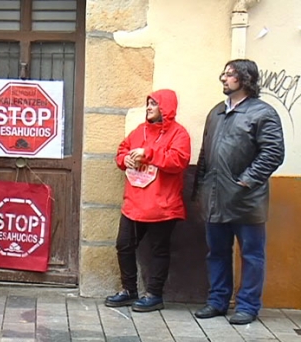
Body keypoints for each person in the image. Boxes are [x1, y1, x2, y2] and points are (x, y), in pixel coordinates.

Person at [193, 59, 284, 325]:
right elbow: (205, 153)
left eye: (230, 74)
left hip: (247, 200)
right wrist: (200, 186)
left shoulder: (263, 112)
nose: (223, 78)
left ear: (245, 79)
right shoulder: (216, 112)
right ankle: (217, 301)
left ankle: (248, 306)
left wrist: (246, 181)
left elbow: (273, 152)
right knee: (217, 252)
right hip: (214, 197)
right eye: (223, 73)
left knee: (252, 256)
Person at [105, 89, 191, 312]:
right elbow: (122, 151)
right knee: (124, 245)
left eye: (154, 104)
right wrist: (126, 160)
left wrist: (149, 154)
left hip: (163, 204)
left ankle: (154, 294)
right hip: (134, 202)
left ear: (166, 108)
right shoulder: (139, 131)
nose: (149, 108)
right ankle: (128, 290)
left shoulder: (179, 134)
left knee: (158, 251)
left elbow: (178, 161)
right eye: (148, 104)